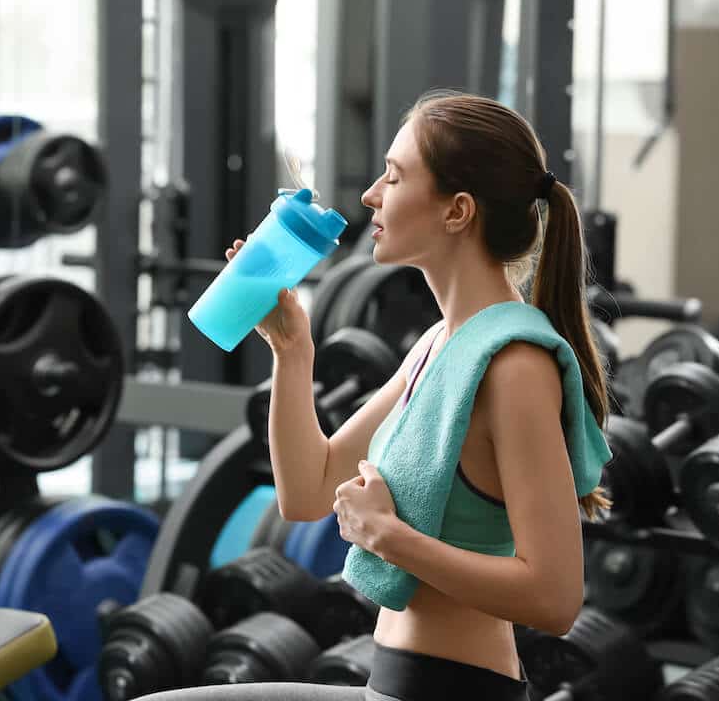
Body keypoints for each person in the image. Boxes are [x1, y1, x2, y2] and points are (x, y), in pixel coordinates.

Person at [140, 90, 612, 701]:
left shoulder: (513, 364)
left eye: (394, 176)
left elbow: (554, 599)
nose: (370, 196)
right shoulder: (440, 344)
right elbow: (308, 492)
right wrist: (292, 352)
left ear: (457, 211)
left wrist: (389, 537)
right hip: (388, 682)